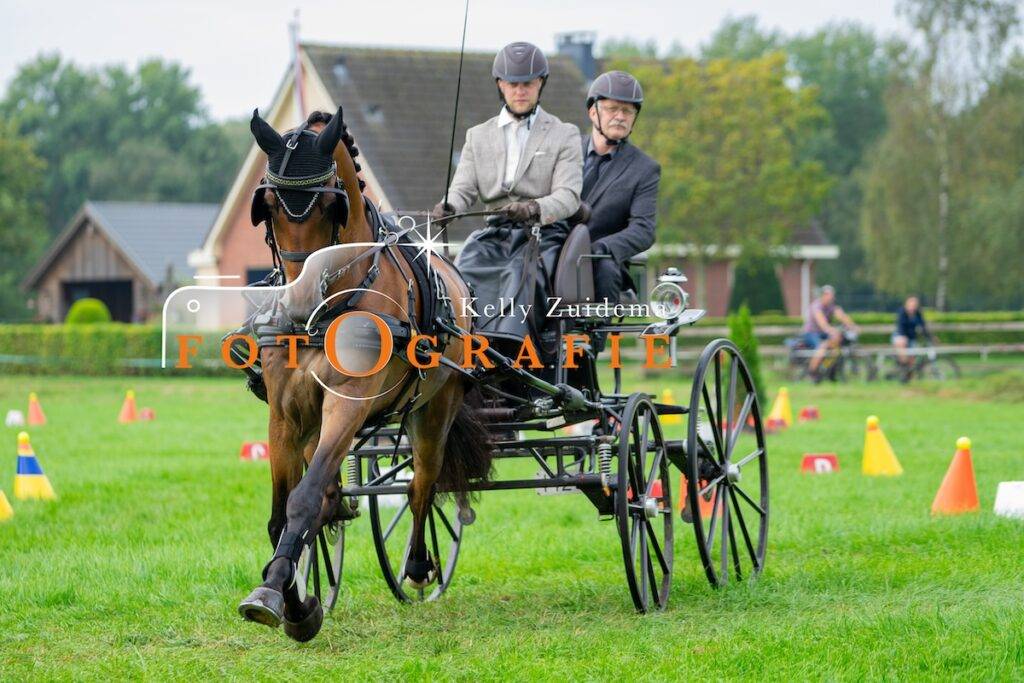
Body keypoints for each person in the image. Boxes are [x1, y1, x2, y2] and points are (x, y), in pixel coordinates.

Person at [431, 41, 582, 348]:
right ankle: (458, 342)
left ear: (541, 84)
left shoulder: (564, 134)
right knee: (462, 269)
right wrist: (449, 206)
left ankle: (511, 347)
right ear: (500, 85)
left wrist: (533, 208)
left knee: (518, 274)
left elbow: (568, 196)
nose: (520, 91)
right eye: (513, 84)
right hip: (494, 234)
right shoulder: (478, 135)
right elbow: (463, 189)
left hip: (543, 234)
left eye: (528, 84)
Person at [578, 70, 660, 305]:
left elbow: (644, 229)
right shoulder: (565, 150)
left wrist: (603, 248)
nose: (620, 116)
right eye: (612, 109)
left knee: (604, 267)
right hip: (553, 251)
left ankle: (599, 329)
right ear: (593, 112)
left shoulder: (645, 169)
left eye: (627, 111)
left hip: (599, 262)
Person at [802, 285, 858, 379]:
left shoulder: (831, 306)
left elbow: (841, 316)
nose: (831, 298)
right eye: (829, 295)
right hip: (811, 333)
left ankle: (828, 370)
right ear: (823, 295)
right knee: (821, 347)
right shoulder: (816, 306)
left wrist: (852, 326)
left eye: (832, 296)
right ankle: (812, 372)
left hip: (824, 333)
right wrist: (832, 330)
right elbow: (822, 323)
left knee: (836, 346)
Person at [892, 295, 932, 366]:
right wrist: (903, 336)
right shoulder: (902, 312)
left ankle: (909, 368)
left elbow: (923, 326)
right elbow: (900, 326)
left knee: (914, 353)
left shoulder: (917, 314)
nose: (912, 307)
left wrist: (930, 337)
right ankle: (902, 364)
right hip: (900, 335)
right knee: (902, 343)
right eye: (911, 305)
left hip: (911, 338)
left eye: (914, 305)